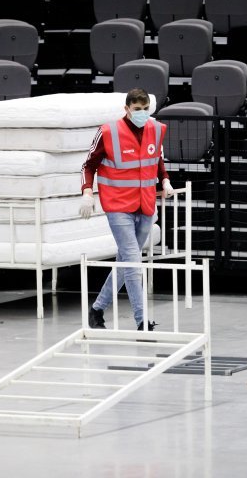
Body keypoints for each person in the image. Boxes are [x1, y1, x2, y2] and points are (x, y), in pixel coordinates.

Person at [79, 88, 174, 331]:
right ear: (127, 109)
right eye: (137, 110)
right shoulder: (108, 132)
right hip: (118, 205)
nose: (142, 114)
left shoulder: (155, 129)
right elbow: (88, 165)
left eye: (145, 109)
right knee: (132, 260)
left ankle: (97, 308)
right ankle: (142, 321)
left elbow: (157, 159)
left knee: (125, 260)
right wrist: (87, 192)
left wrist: (164, 179)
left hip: (145, 204)